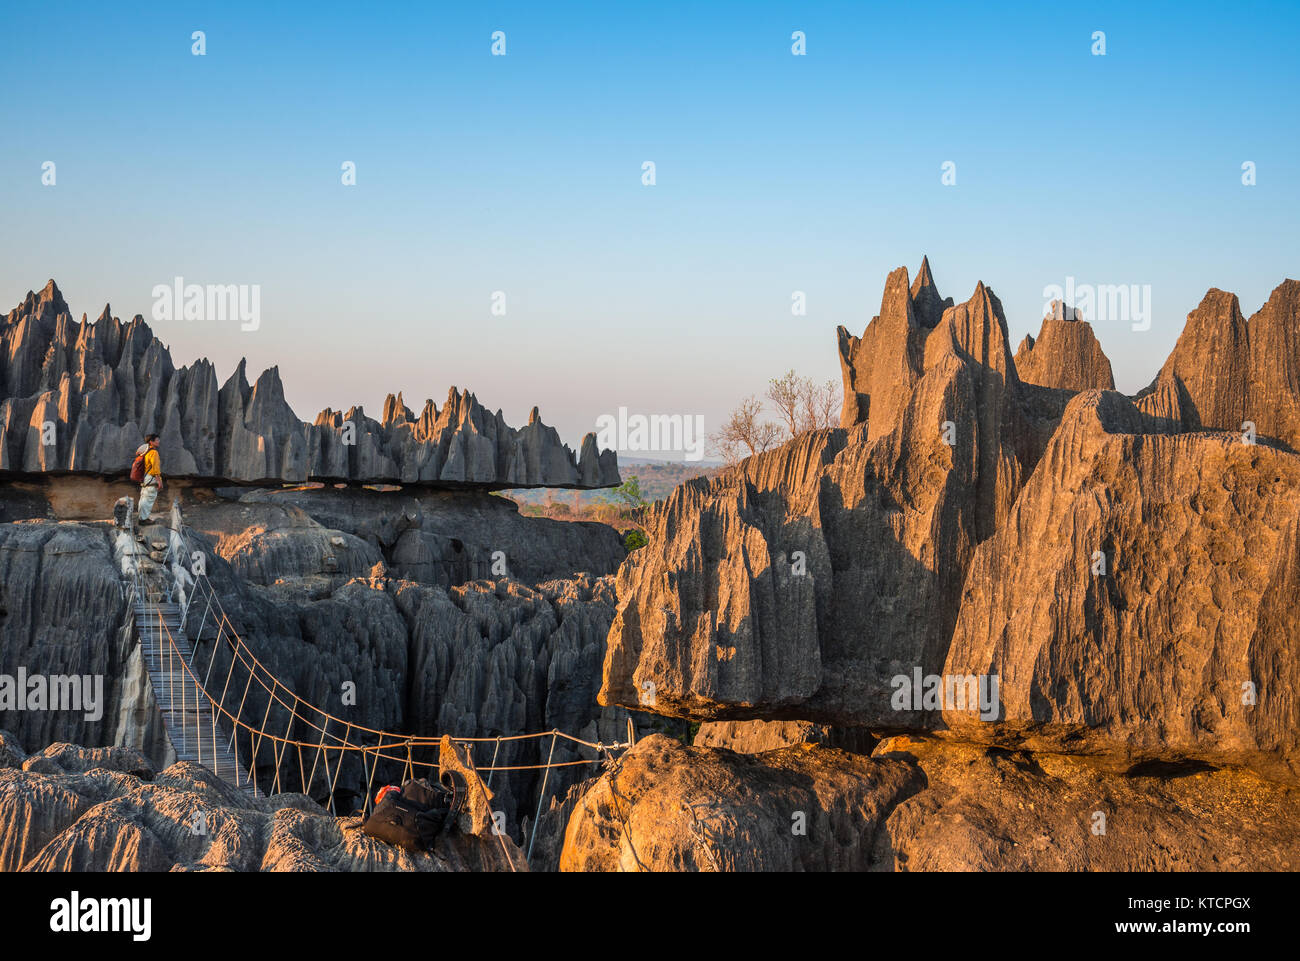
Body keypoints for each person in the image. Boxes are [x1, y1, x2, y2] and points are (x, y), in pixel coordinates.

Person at [136, 434, 163, 525]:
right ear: (151, 442)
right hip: (151, 478)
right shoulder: (154, 453)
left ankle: (142, 518)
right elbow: (155, 468)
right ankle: (143, 520)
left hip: (145, 478)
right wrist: (159, 481)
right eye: (157, 440)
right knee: (149, 497)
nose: (159, 441)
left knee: (144, 498)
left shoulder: (146, 452)